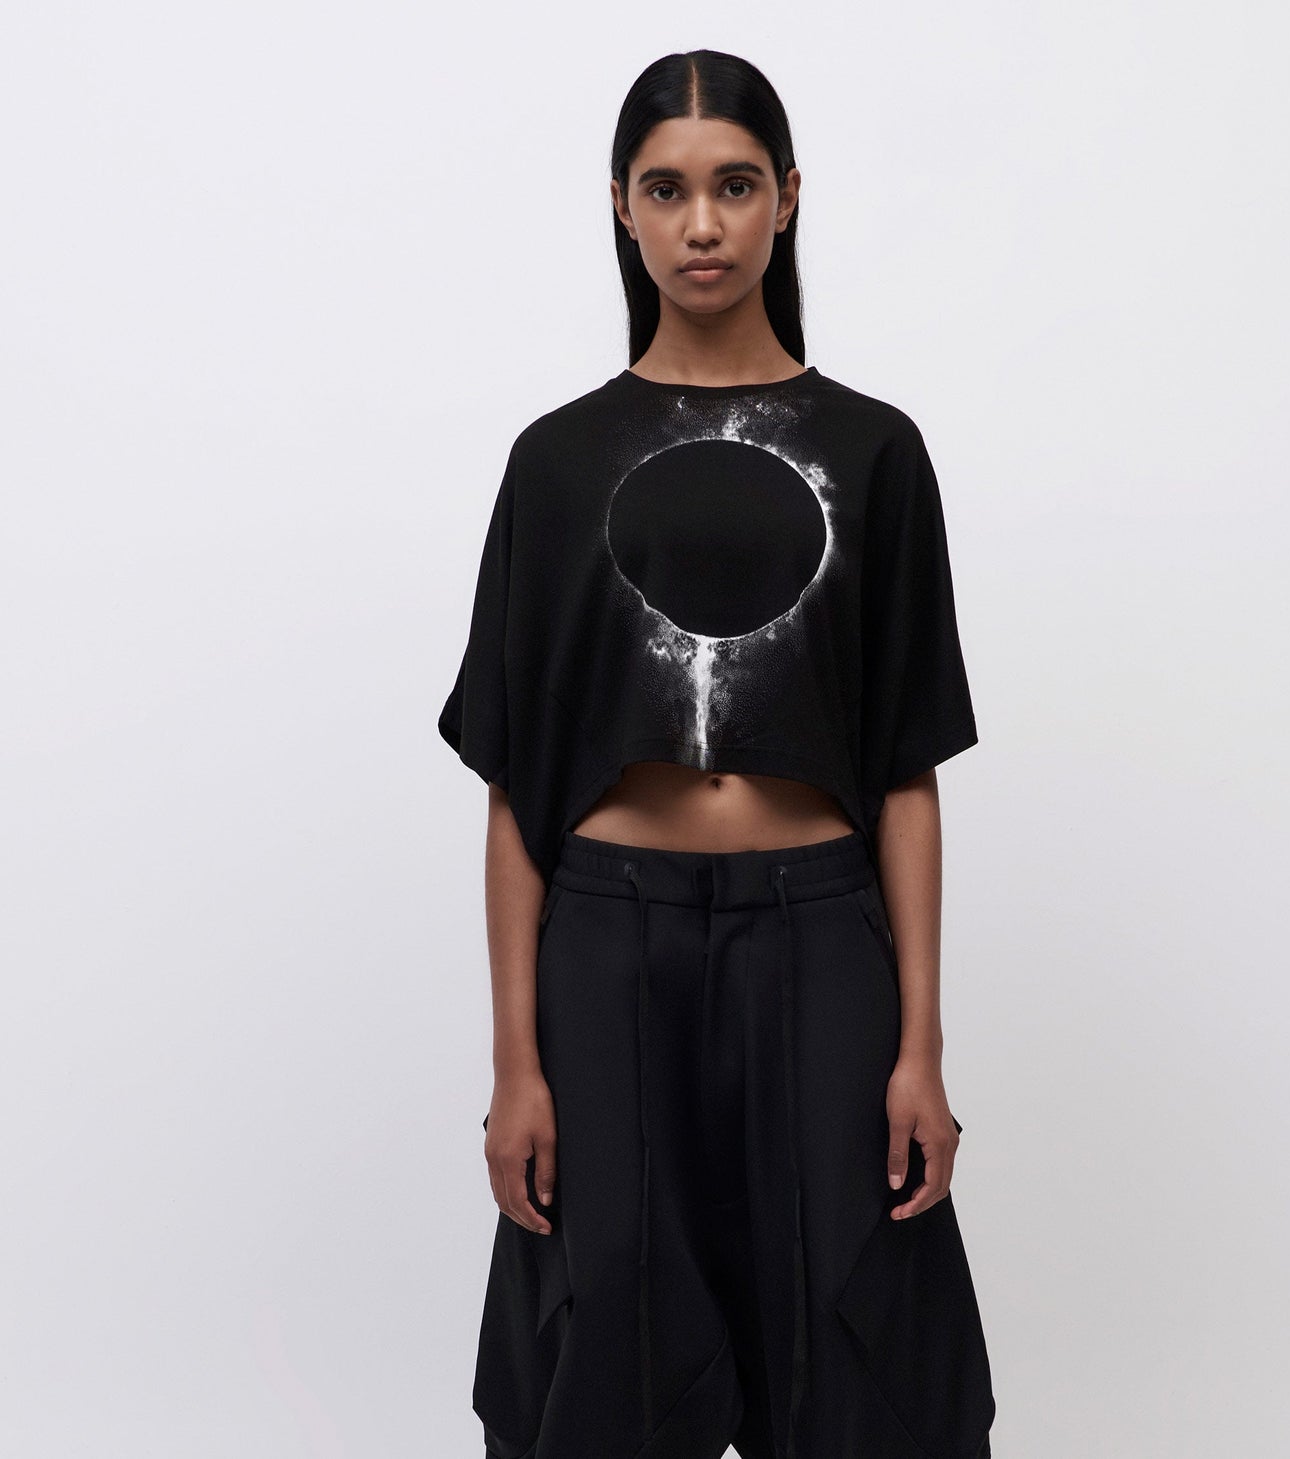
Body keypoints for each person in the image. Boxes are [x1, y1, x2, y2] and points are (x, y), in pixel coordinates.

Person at [438, 48, 996, 1459]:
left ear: (787, 200)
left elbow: (905, 773)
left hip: (818, 937)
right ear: (620, 207)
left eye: (735, 187)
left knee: (855, 1339)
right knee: (605, 1345)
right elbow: (516, 788)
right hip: (608, 943)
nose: (702, 225)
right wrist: (515, 1063)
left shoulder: (875, 452)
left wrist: (920, 1045)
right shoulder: (555, 464)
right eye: (667, 189)